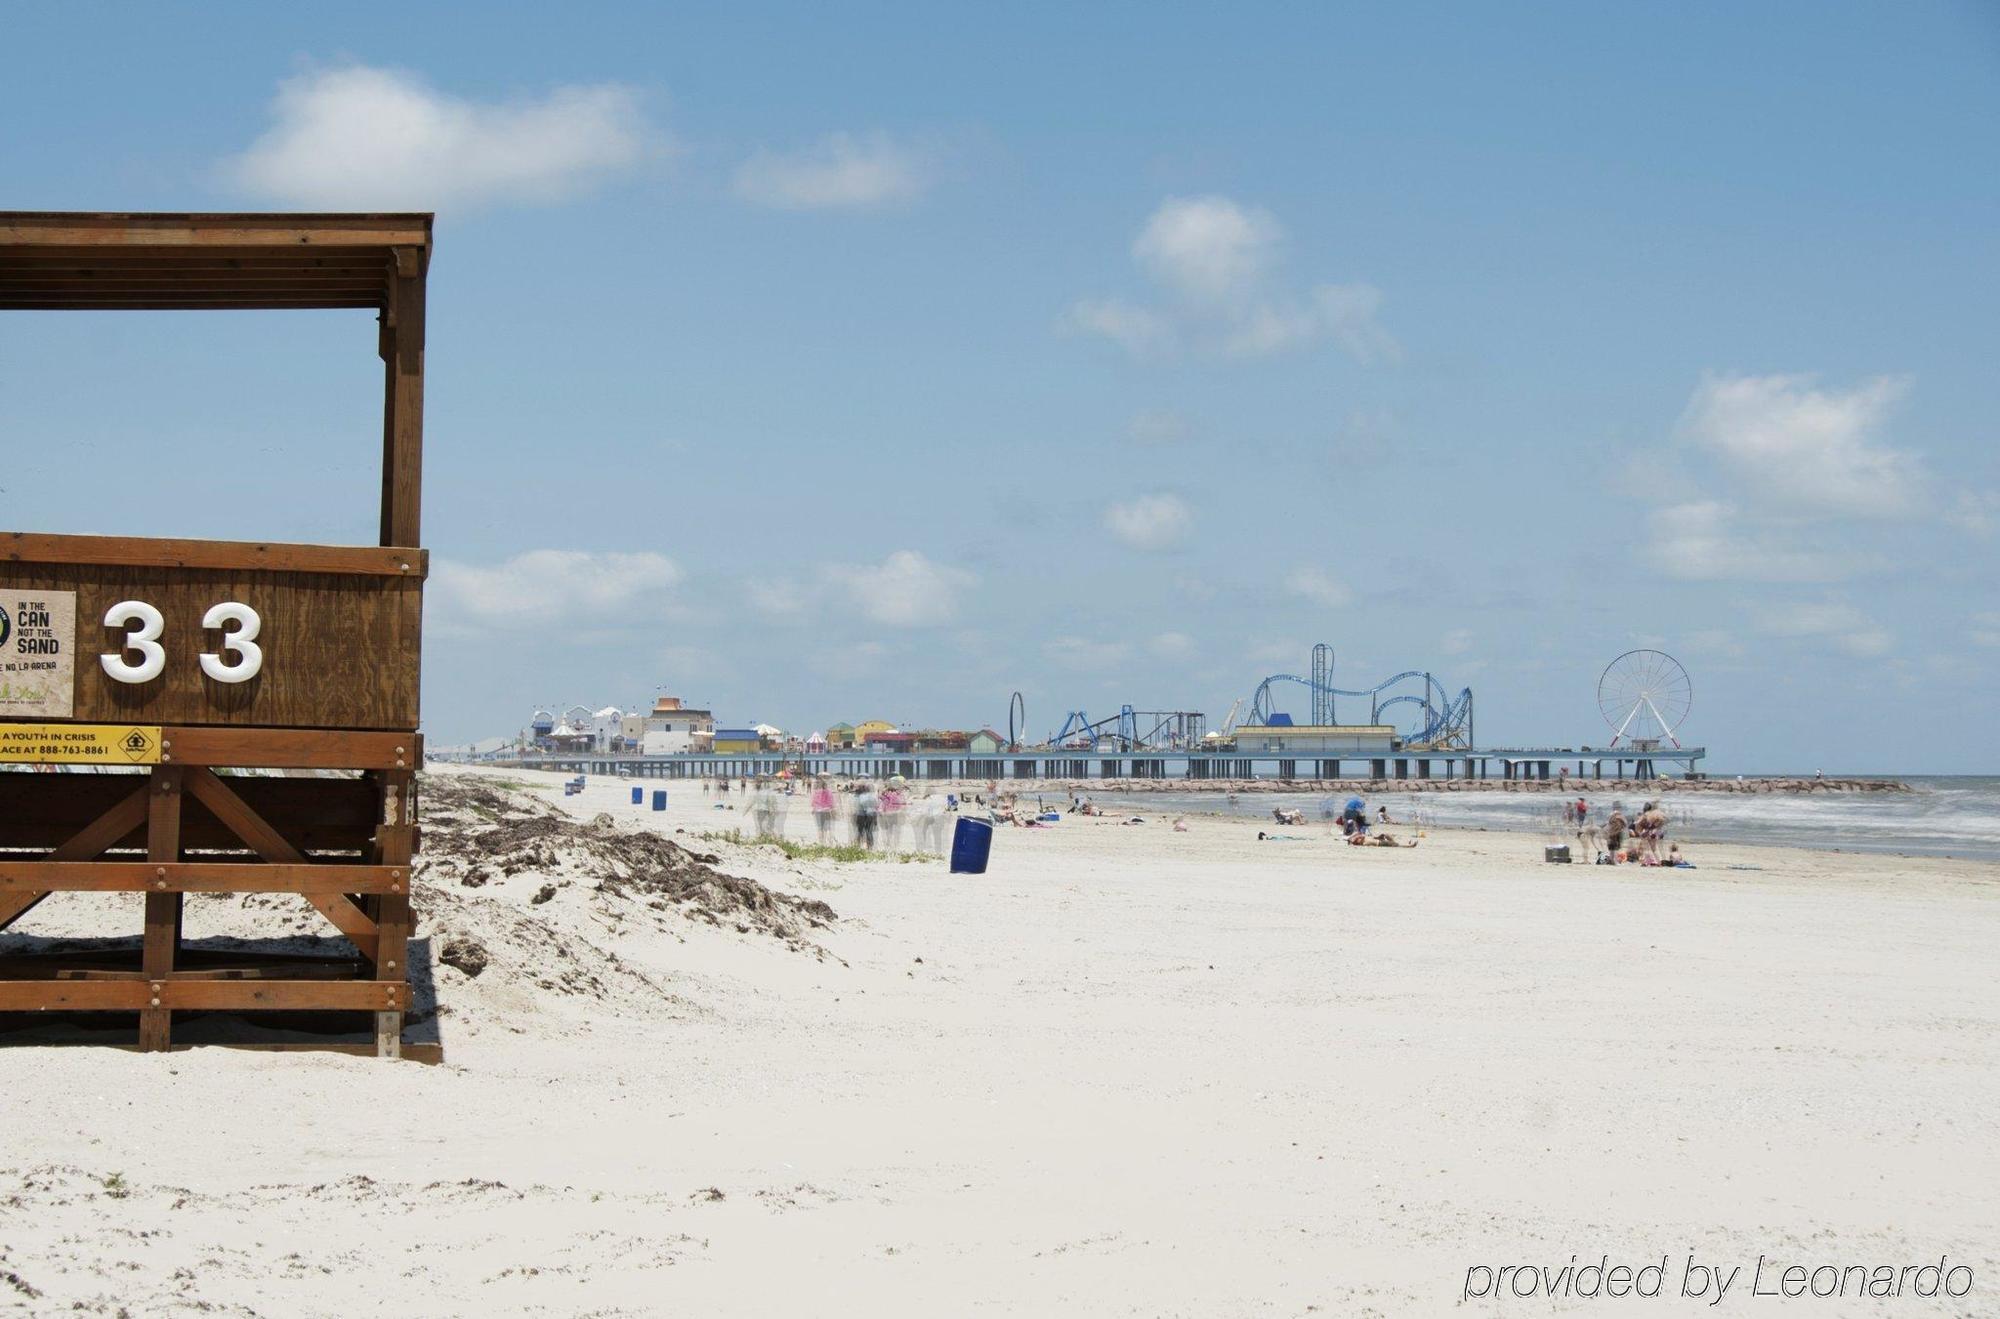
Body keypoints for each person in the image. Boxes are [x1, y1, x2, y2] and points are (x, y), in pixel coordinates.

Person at [852, 784, 879, 850]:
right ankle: (870, 846)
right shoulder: (873, 796)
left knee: (861, 831)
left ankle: (859, 845)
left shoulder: (862, 796)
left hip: (863, 815)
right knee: (869, 831)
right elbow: (876, 805)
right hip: (872, 814)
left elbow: (860, 805)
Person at [810, 777, 836, 843]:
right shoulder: (828, 792)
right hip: (826, 811)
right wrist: (832, 808)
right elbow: (831, 802)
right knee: (825, 827)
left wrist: (813, 808)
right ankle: (824, 840)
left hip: (817, 811)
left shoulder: (816, 792)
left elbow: (813, 802)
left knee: (819, 827)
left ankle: (821, 841)